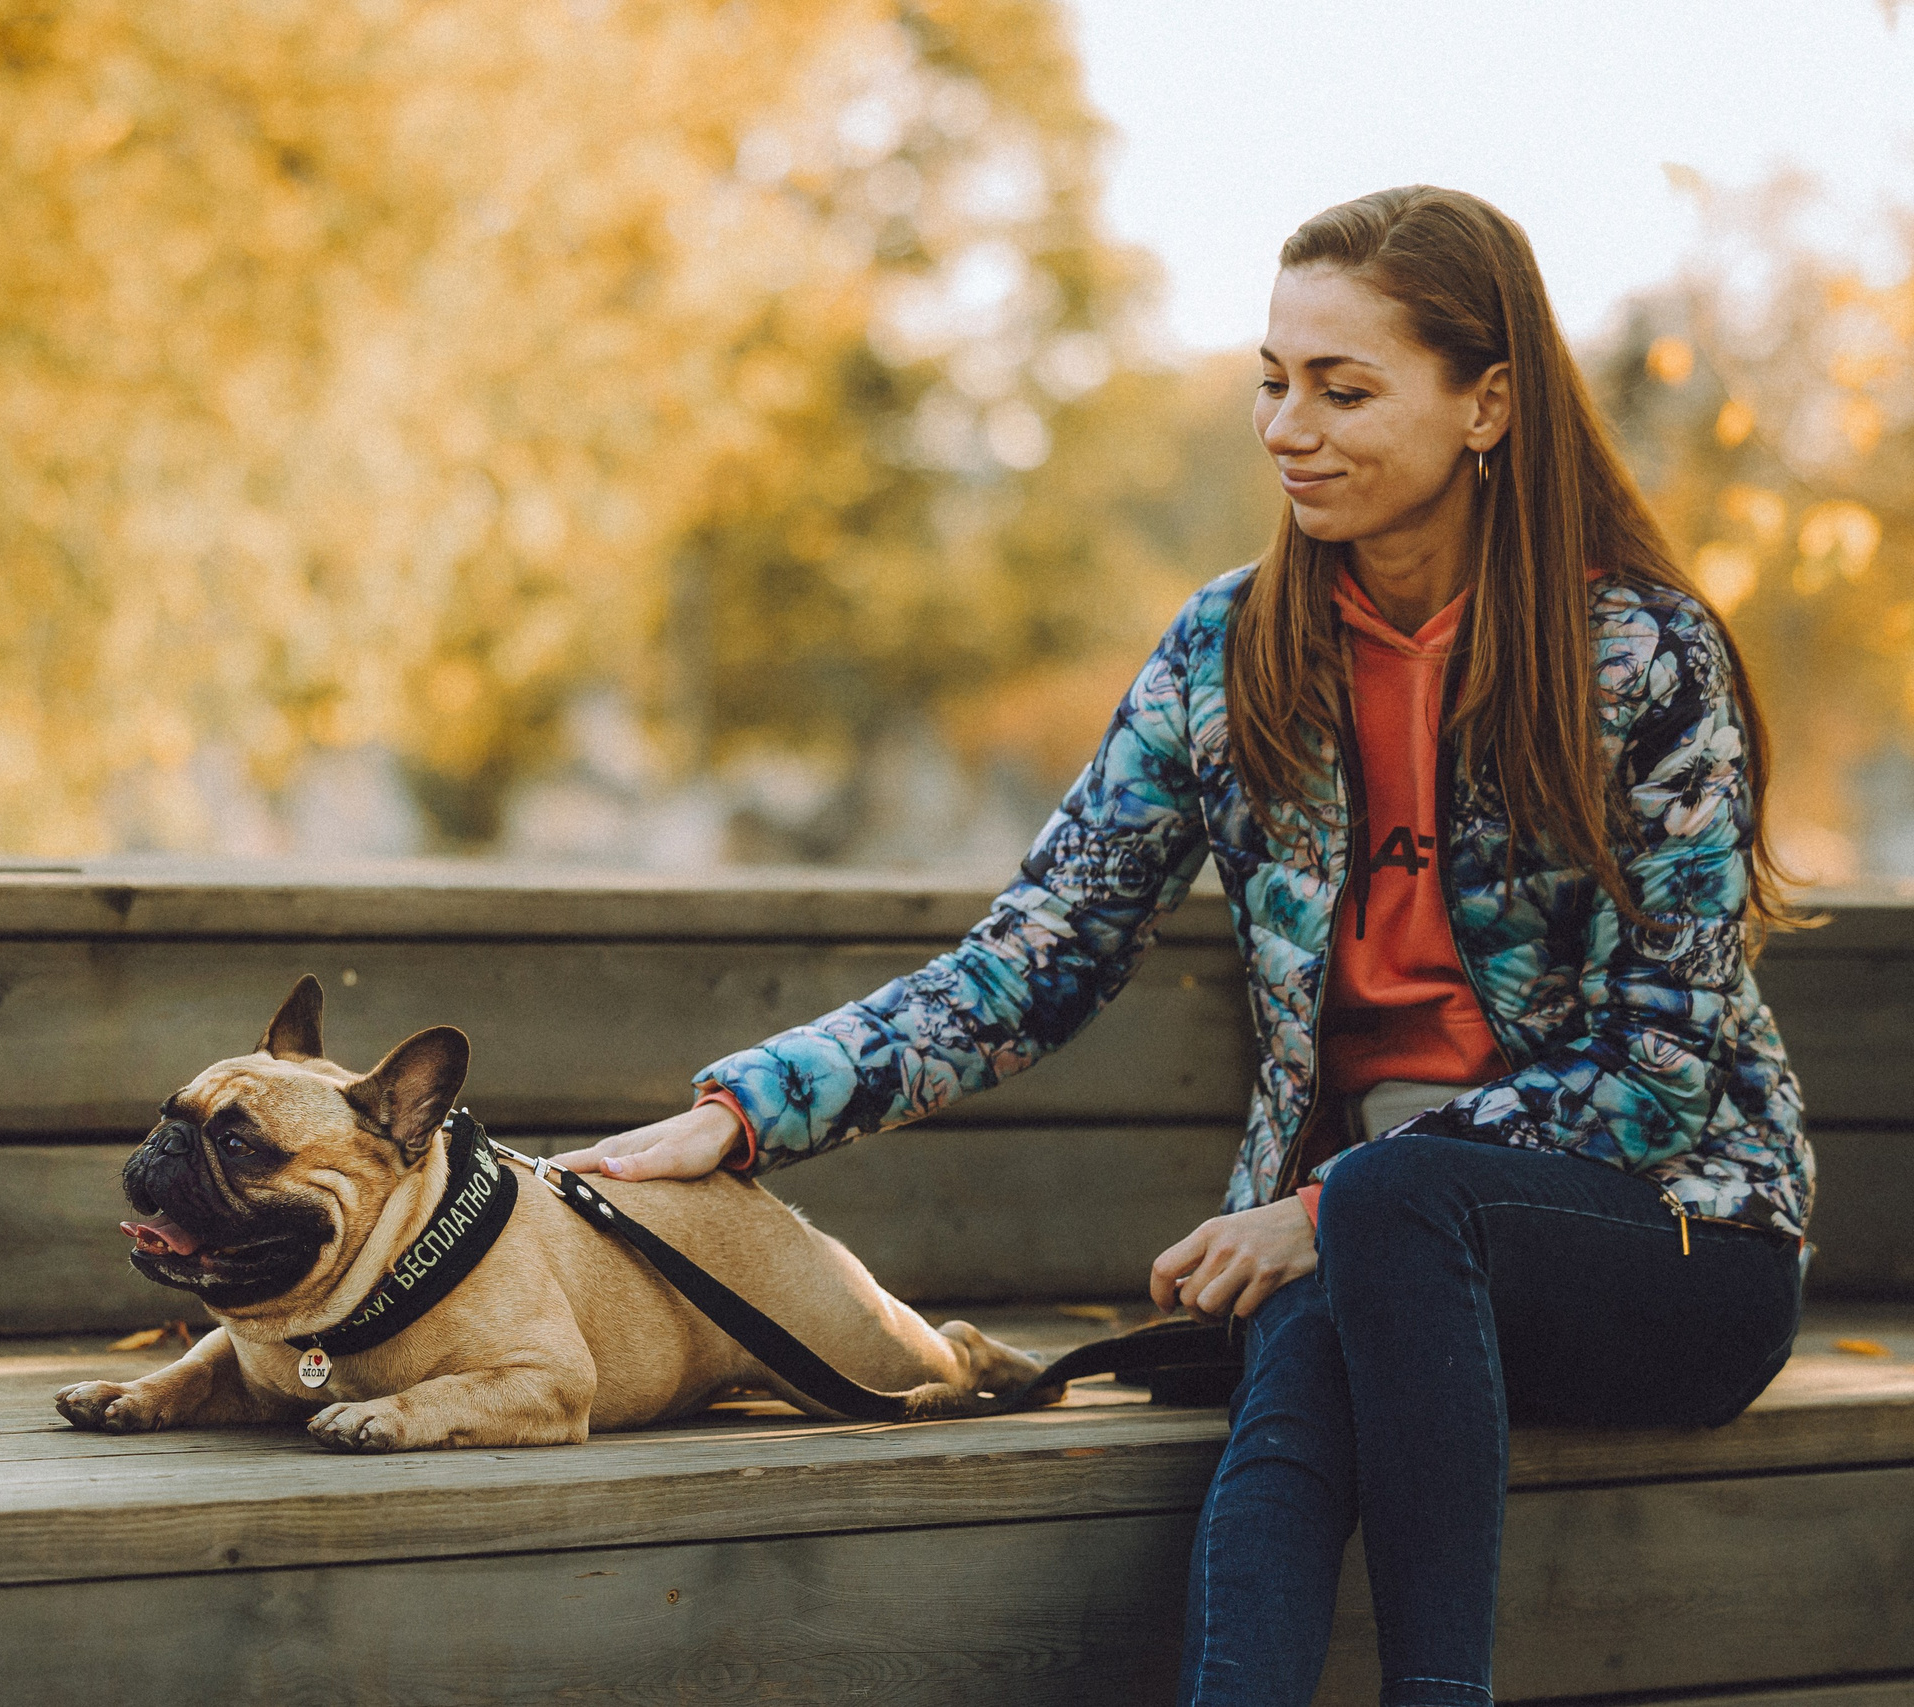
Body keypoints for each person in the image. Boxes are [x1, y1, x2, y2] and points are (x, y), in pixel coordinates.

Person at [553, 185, 1812, 1707]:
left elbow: (1664, 1059)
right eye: (1273, 381)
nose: (1290, 425)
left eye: (1344, 389)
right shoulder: (1228, 655)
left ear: (1488, 404)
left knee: (1378, 1219)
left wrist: (1325, 1208)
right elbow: (1039, 950)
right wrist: (747, 1107)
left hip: (1668, 1243)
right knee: (1295, 1390)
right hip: (1373, 1251)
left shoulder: (1641, 657)